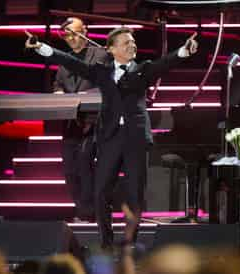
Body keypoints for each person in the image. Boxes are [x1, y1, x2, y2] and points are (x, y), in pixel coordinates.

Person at [25, 27, 198, 249]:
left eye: (133, 42)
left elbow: (164, 63)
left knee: (135, 193)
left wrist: (184, 51)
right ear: (111, 49)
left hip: (135, 139)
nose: (132, 45)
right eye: (126, 43)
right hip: (110, 138)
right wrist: (41, 47)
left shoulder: (143, 69)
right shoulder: (101, 71)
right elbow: (71, 62)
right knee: (100, 193)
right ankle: (106, 242)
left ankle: (130, 243)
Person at [50, 17, 109, 222]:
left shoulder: (99, 54)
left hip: (94, 122)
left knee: (84, 162)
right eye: (67, 34)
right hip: (71, 123)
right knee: (69, 169)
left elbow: (106, 81)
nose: (71, 38)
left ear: (85, 31)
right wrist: (58, 92)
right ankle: (82, 210)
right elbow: (58, 84)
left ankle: (90, 212)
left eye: (75, 33)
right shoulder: (64, 61)